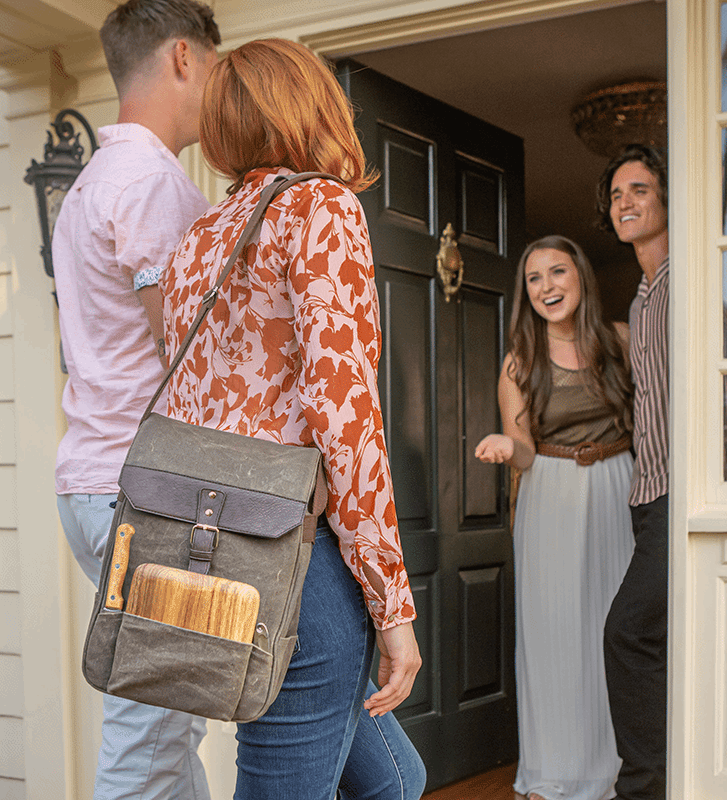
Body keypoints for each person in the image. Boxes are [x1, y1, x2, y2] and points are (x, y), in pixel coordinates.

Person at [159, 38, 426, 800]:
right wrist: (393, 607)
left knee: (398, 779)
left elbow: (189, 409)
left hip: (211, 555)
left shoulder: (198, 241)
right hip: (294, 568)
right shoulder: (321, 207)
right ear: (314, 104)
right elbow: (346, 421)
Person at [51, 1, 219, 797]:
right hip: (145, 492)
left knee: (168, 729)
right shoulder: (153, 183)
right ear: (184, 57)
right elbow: (186, 355)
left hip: (95, 482)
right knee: (148, 746)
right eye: (217, 69)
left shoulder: (89, 185)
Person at [475, 235, 635, 800]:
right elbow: (524, 449)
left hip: (620, 487)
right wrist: (504, 444)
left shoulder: (620, 340)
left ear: (581, 277)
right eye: (534, 278)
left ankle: (618, 768)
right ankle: (555, 772)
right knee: (556, 635)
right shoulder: (520, 362)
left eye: (557, 272)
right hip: (551, 492)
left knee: (614, 631)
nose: (546, 287)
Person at [596, 144, 669, 800]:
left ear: (669, 200)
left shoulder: (693, 277)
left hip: (690, 489)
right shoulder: (644, 296)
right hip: (648, 495)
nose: (624, 203)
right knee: (659, 638)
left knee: (626, 631)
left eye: (638, 189)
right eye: (617, 195)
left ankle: (643, 788)